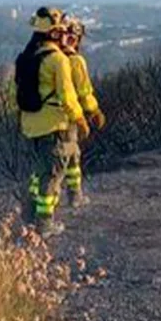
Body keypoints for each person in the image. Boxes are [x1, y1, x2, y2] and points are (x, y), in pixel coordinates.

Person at [18, 7, 89, 238]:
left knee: (37, 172)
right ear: (55, 32)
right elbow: (68, 96)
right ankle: (45, 223)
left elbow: (14, 94)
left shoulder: (24, 57)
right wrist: (80, 118)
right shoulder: (58, 60)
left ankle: (29, 215)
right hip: (53, 126)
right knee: (52, 175)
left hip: (30, 125)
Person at [60, 16, 106, 209]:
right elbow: (84, 92)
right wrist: (94, 111)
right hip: (67, 117)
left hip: (40, 118)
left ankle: (39, 202)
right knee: (71, 155)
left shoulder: (45, 58)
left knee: (50, 160)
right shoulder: (74, 61)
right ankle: (73, 195)